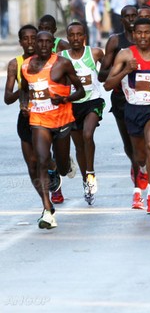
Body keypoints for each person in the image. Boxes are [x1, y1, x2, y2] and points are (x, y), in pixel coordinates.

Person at [104, 18, 150, 214]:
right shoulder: (125, 55)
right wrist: (127, 70)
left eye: (146, 33)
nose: (143, 36)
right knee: (140, 156)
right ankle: (142, 170)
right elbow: (108, 84)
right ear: (133, 35)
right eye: (139, 33)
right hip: (133, 109)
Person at [19, 31, 86, 229]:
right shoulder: (26, 65)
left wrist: (65, 99)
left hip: (62, 120)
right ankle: (47, 211)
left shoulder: (62, 63)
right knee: (41, 159)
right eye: (40, 42)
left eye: (48, 42)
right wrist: (24, 105)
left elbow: (80, 90)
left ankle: (58, 167)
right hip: (39, 119)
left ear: (53, 44)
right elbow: (24, 89)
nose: (43, 45)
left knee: (63, 167)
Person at [4, 25, 63, 209]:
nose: (29, 42)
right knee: (32, 164)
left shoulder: (51, 61)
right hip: (26, 117)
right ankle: (45, 203)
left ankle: (55, 169)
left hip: (49, 116)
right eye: (25, 39)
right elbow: (7, 98)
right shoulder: (16, 64)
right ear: (20, 42)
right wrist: (25, 91)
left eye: (33, 38)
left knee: (46, 160)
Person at [99, 5, 148, 191]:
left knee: (146, 140)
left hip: (145, 97)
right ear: (122, 20)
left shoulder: (148, 39)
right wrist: (120, 70)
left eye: (134, 15)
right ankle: (137, 165)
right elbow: (102, 75)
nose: (131, 19)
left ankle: (142, 168)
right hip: (121, 98)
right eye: (126, 16)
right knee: (129, 143)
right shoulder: (115, 41)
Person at [59, 22, 105, 205]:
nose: (76, 38)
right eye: (72, 35)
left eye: (79, 35)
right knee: (78, 146)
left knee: (88, 134)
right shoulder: (61, 57)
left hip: (92, 101)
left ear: (84, 36)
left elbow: (108, 67)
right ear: (68, 38)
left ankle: (91, 173)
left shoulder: (94, 53)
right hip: (71, 105)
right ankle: (86, 182)